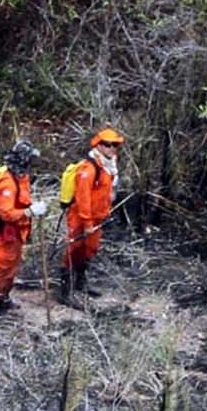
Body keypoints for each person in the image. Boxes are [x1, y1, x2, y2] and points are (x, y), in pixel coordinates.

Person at [62, 128, 124, 300]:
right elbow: (83, 199)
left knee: (90, 249)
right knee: (74, 250)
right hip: (81, 217)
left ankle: (81, 283)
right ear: (99, 146)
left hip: (97, 217)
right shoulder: (88, 170)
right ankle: (65, 291)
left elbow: (106, 192)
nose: (113, 148)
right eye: (108, 145)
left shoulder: (109, 166)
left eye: (116, 145)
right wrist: (87, 223)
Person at [0, 142, 46, 313]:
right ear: (23, 160)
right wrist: (29, 212)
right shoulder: (7, 182)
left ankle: (3, 297)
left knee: (12, 266)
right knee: (3, 265)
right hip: (8, 232)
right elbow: (6, 213)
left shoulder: (21, 176)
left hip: (19, 231)